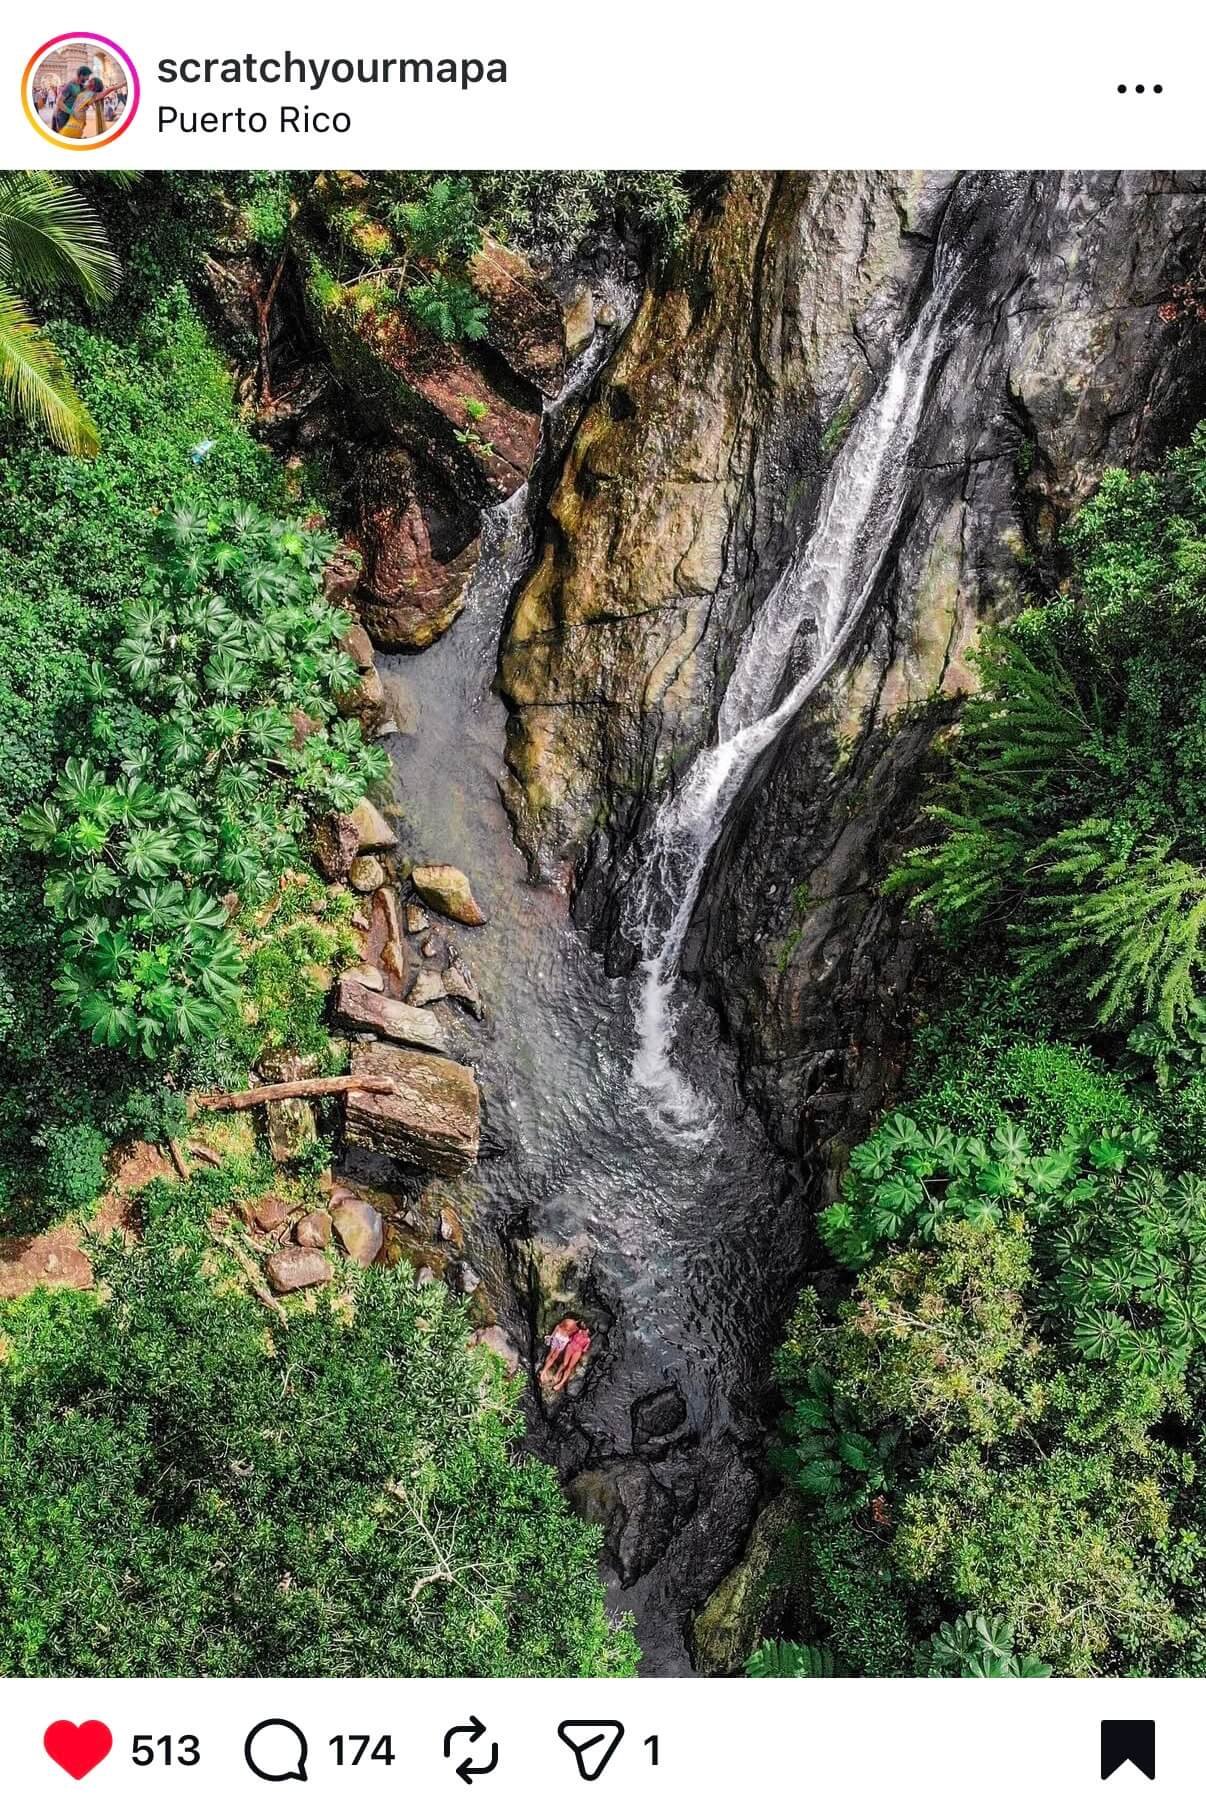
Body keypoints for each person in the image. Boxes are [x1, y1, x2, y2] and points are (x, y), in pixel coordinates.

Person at [539, 1317, 579, 1388]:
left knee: (554, 1356)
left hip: (562, 1341)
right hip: (558, 1338)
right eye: (567, 1327)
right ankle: (544, 1371)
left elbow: (573, 1334)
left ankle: (544, 1371)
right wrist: (551, 1337)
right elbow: (555, 1331)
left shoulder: (574, 1329)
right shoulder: (562, 1325)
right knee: (551, 1354)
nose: (568, 1329)